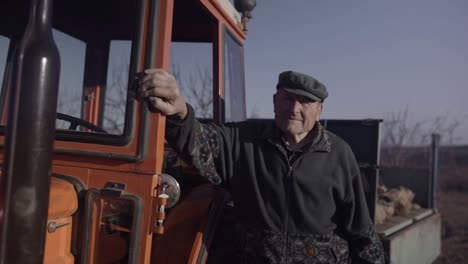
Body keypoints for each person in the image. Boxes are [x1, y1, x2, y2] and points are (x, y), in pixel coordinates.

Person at [139, 68, 385, 263]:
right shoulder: (244, 139)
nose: (294, 108)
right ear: (275, 101)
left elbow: (361, 230)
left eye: (305, 102)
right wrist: (180, 112)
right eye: (288, 98)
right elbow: (201, 140)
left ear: (319, 110)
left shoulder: (339, 153)